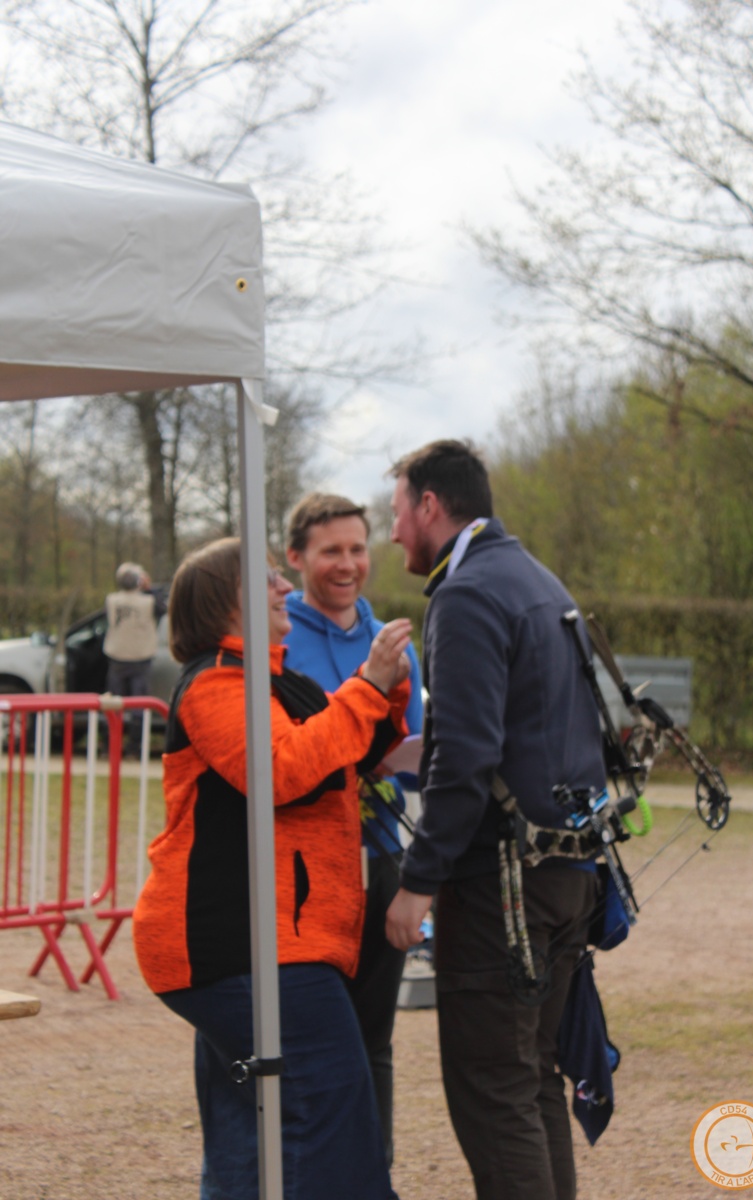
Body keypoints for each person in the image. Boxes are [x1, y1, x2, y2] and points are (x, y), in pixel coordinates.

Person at [132, 536, 411, 1200]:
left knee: (247, 1130)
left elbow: (346, 747)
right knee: (335, 1110)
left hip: (266, 942)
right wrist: (368, 685)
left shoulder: (275, 682)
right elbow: (281, 770)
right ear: (226, 602)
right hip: (242, 945)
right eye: (266, 580)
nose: (286, 587)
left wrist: (388, 690)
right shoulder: (215, 685)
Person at [384, 440, 606, 1200]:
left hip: (502, 887)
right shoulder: (535, 577)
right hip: (566, 874)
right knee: (531, 1082)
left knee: (494, 1095)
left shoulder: (467, 593)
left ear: (430, 506)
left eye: (396, 513)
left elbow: (466, 757)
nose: (392, 533)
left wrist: (418, 882)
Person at [283, 492, 423, 1166]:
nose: (348, 564)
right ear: (296, 556)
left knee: (374, 1039)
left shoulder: (390, 640)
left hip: (380, 854)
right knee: (306, 1039)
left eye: (358, 549)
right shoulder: (277, 637)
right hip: (304, 869)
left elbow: (414, 746)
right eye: (330, 551)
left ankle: (374, 1172)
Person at [103, 561, 166, 754]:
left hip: (117, 656)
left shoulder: (111, 600)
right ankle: (135, 747)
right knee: (139, 705)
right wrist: (149, 587)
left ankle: (111, 745)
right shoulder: (149, 601)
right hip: (141, 657)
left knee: (113, 704)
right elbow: (163, 607)